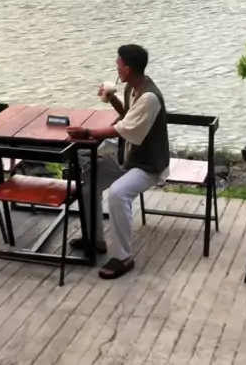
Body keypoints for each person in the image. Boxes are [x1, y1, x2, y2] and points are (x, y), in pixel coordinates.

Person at [67, 44, 170, 280]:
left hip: (147, 165)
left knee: (118, 193)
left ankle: (124, 257)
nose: (116, 66)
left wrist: (88, 132)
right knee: (87, 185)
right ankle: (95, 240)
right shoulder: (133, 88)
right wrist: (112, 98)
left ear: (127, 69)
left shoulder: (149, 97)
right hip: (127, 157)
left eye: (118, 63)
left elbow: (126, 128)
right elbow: (127, 117)